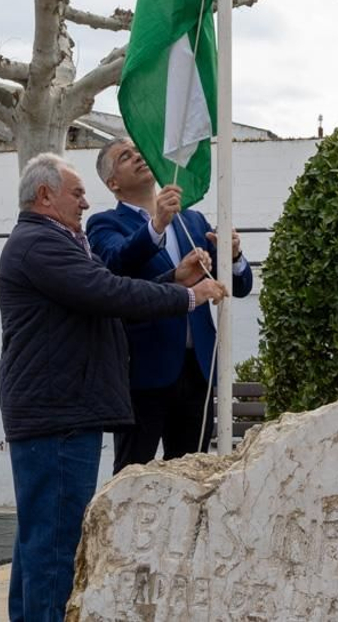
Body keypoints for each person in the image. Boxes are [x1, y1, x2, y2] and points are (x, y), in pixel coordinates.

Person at [0, 152, 226, 622]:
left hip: (59, 409)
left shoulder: (51, 241)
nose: (85, 202)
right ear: (45, 196)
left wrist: (169, 277)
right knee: (56, 544)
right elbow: (108, 291)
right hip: (58, 411)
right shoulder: (42, 244)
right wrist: (186, 295)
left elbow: (101, 294)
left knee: (40, 538)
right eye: (76, 192)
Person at [86, 138, 255, 472]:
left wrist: (234, 255)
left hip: (198, 370)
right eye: (125, 156)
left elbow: (239, 285)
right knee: (135, 474)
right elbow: (116, 266)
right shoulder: (104, 223)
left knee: (192, 472)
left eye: (139, 150)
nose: (137, 157)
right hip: (145, 371)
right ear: (113, 183)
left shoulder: (193, 222)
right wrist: (157, 224)